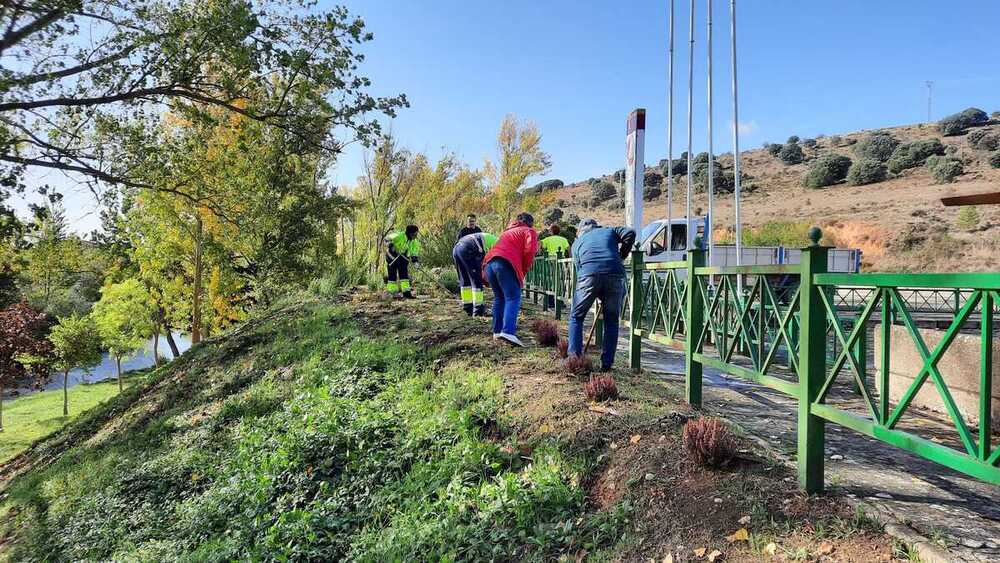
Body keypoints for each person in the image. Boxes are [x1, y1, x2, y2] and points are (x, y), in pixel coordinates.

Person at [567, 218, 636, 371]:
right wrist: (621, 255)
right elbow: (630, 233)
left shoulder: (577, 243)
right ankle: (606, 364)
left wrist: (594, 290)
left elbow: (579, 269)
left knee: (576, 317)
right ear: (597, 226)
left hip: (588, 276)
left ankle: (574, 359)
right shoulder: (609, 230)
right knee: (611, 321)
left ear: (580, 232)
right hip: (615, 275)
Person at [483, 212, 539, 346]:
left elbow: (494, 249)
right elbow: (530, 251)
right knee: (513, 297)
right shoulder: (529, 231)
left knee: (499, 298)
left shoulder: (507, 232)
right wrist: (523, 271)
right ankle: (508, 332)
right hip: (505, 264)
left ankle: (497, 331)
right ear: (530, 222)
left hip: (490, 264)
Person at [453, 231, 498, 316]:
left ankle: (468, 307)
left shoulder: (491, 239)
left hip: (457, 249)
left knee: (465, 279)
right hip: (468, 249)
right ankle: (478, 310)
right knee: (476, 280)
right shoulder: (498, 244)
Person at [384, 225, 420, 299]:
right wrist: (391, 245)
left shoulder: (414, 241)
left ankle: (406, 293)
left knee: (404, 276)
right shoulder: (398, 235)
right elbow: (386, 239)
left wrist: (415, 261)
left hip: (403, 258)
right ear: (410, 233)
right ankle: (392, 293)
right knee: (392, 276)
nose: (416, 236)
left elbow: (414, 252)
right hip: (392, 257)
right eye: (415, 234)